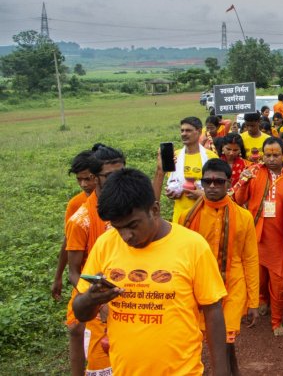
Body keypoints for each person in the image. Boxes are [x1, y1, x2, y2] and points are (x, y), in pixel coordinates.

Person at [73, 168, 229, 375]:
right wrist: (91, 299)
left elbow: (213, 310)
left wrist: (221, 372)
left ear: (154, 210)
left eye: (132, 225)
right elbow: (80, 312)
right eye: (118, 228)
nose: (126, 236)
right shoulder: (105, 244)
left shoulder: (192, 246)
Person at [178, 159, 259, 375]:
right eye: (208, 181)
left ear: (229, 183)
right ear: (201, 183)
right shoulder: (186, 217)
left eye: (218, 182)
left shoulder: (243, 217)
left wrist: (253, 301)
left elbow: (250, 259)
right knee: (200, 340)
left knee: (224, 339)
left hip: (232, 288)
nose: (212, 186)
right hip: (197, 290)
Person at [232, 137, 283, 336]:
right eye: (268, 155)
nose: (271, 159)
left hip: (281, 240)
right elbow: (239, 200)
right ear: (262, 155)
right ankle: (262, 299)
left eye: (276, 155)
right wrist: (244, 181)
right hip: (257, 237)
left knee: (280, 281)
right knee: (259, 278)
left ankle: (276, 320)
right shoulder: (254, 173)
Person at [65, 144, 126, 376]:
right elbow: (74, 272)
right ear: (95, 179)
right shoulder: (81, 220)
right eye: (110, 177)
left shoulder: (126, 208)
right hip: (97, 296)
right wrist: (98, 301)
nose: (118, 181)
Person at [52, 151, 99, 301]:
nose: (83, 184)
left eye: (88, 179)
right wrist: (58, 276)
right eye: (79, 179)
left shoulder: (114, 200)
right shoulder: (76, 204)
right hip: (85, 277)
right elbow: (69, 241)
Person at [155, 117, 218, 224]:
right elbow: (173, 183)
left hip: (204, 218)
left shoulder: (210, 157)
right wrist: (171, 192)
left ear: (198, 132)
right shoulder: (175, 156)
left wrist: (202, 195)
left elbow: (220, 189)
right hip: (180, 218)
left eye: (188, 130)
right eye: (182, 130)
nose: (184, 134)